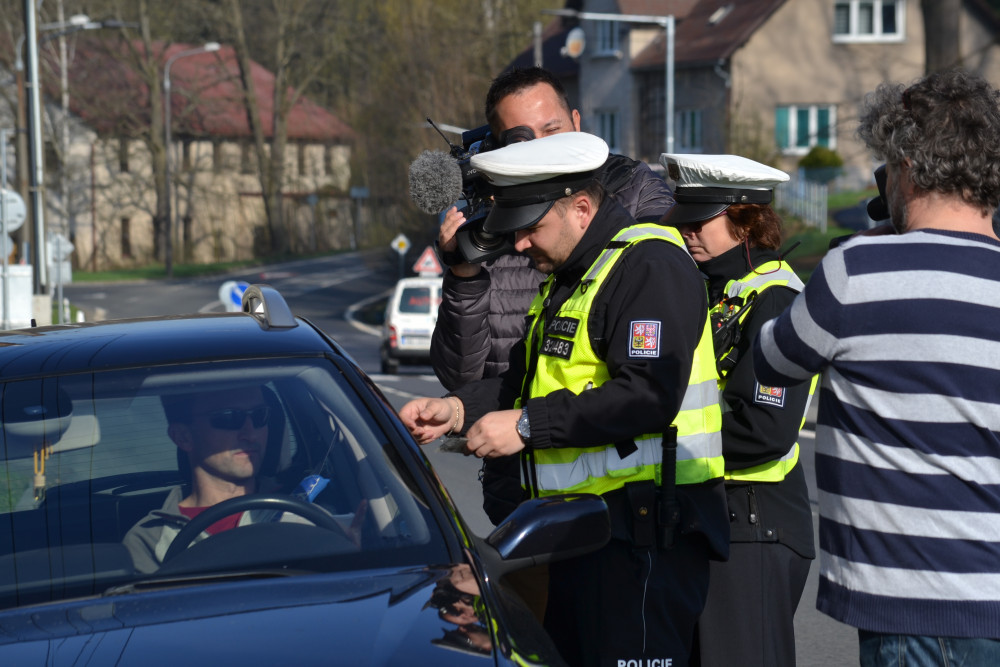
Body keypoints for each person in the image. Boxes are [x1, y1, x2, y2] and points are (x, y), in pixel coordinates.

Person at [401, 132, 729, 667]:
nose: (522, 246)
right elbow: (527, 385)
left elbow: (648, 393)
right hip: (583, 539)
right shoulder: (575, 276)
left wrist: (527, 427)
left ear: (580, 208)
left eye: (531, 229)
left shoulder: (647, 265)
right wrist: (459, 410)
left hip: (643, 539)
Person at [752, 67, 1000, 665]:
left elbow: (772, 359)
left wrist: (875, 241)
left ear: (908, 166)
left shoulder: (858, 270)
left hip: (913, 601)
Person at [430, 66, 674, 529]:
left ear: (578, 123)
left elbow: (654, 359)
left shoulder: (634, 191)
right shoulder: (492, 220)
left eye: (553, 130)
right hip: (518, 487)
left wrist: (528, 422)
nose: (543, 146)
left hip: (617, 488)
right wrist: (463, 272)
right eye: (523, 140)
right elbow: (463, 374)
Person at [660, 154, 815, 667]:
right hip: (711, 513)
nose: (685, 230)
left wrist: (656, 455)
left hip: (754, 520)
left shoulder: (776, 300)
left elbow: (764, 428)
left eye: (698, 219)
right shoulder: (714, 291)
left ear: (745, 220)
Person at [124, 385, 279, 573]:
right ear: (183, 437)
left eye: (259, 416)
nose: (251, 433)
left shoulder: (302, 510)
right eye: (229, 418)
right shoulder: (149, 539)